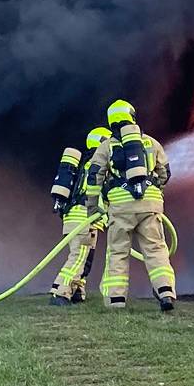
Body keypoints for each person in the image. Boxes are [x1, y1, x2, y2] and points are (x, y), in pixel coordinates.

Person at [90, 99, 176, 311]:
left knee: (118, 251)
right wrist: (154, 192)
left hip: (120, 208)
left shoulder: (106, 147)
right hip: (150, 205)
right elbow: (165, 174)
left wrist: (93, 206)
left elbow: (94, 178)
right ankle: (165, 292)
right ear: (132, 116)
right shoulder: (151, 143)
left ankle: (116, 300)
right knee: (156, 249)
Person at [47, 127, 111, 305]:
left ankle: (77, 291)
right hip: (85, 216)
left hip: (75, 216)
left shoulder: (85, 164)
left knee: (85, 257)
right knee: (79, 257)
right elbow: (102, 192)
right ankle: (60, 292)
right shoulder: (98, 165)